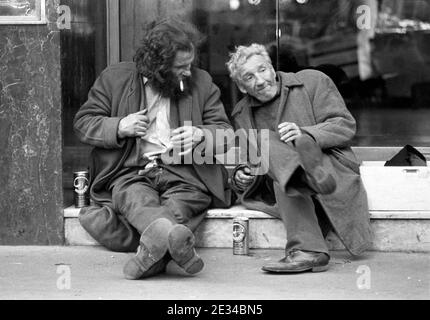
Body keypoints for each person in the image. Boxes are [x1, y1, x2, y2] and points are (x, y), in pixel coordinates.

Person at [73, 18, 234, 280]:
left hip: (186, 173)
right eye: (180, 67)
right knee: (136, 199)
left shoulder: (202, 82)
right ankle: (174, 246)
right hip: (130, 171)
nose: (188, 72)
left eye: (190, 64)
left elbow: (226, 133)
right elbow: (82, 124)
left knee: (183, 203)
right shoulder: (115, 78)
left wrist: (200, 134)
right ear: (158, 66)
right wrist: (119, 126)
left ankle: (150, 253)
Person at [226, 43, 372, 273]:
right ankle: (298, 180)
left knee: (280, 166)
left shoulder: (313, 81)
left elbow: (344, 126)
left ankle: (301, 184)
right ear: (242, 87)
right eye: (249, 77)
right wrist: (241, 175)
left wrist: (306, 133)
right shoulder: (242, 113)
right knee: (268, 149)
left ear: (272, 67)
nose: (260, 80)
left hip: (327, 172)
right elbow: (248, 161)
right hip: (286, 186)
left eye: (262, 69)